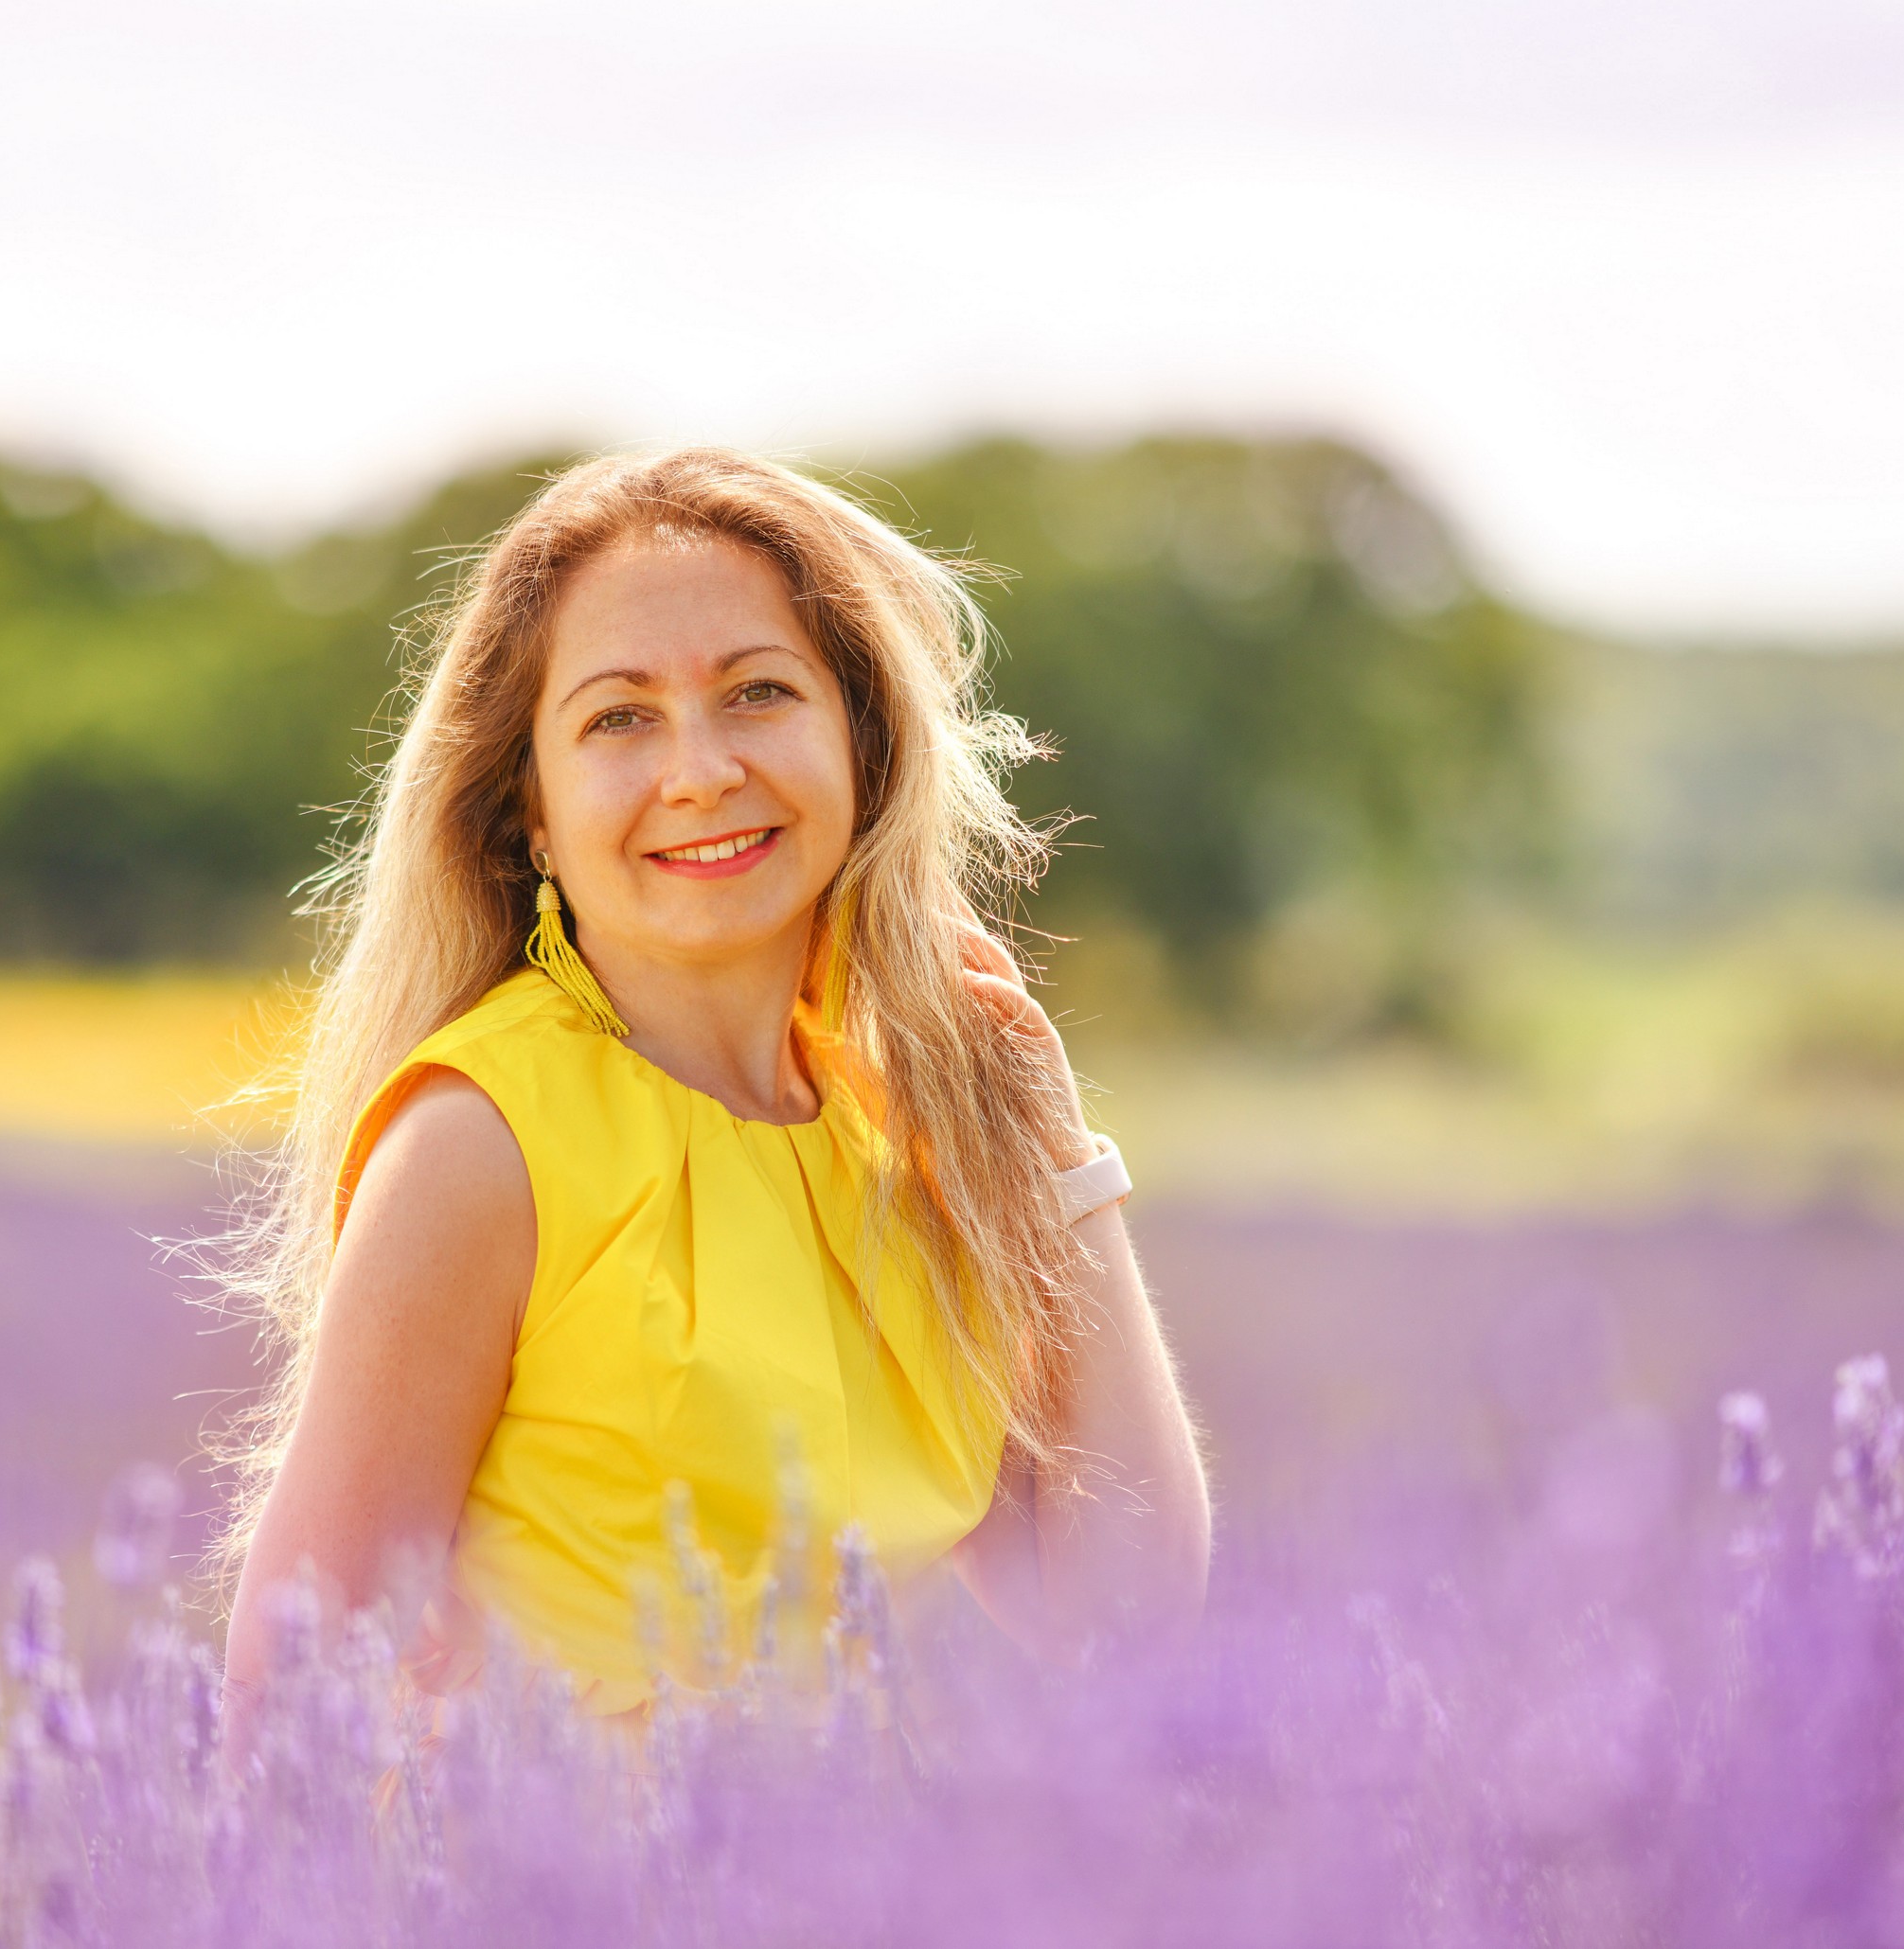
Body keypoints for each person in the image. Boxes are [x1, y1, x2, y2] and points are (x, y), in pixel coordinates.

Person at [213, 448, 1208, 1740]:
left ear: (860, 741)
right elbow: (292, 1681)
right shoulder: (481, 1141)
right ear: (532, 809)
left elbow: (1118, 1619)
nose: (699, 770)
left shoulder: (891, 1144)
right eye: (619, 717)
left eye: (759, 693)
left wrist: (1062, 1166)